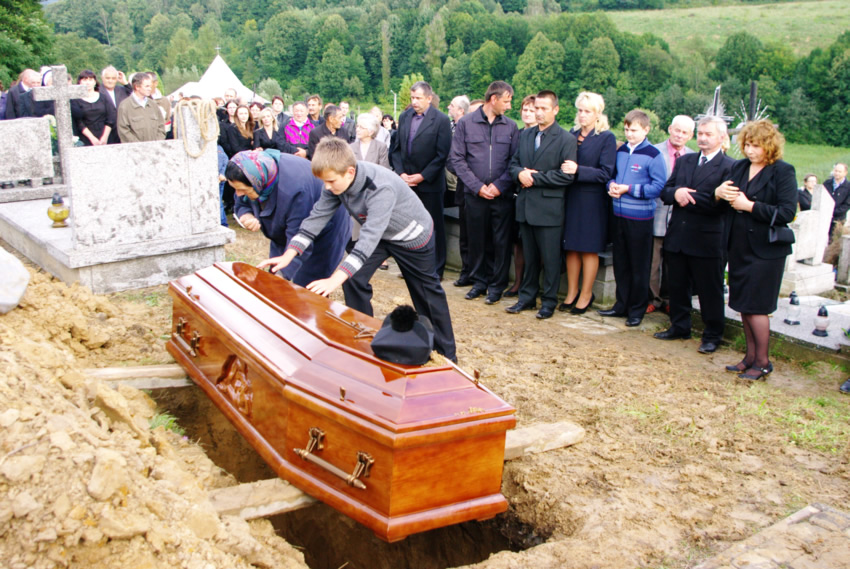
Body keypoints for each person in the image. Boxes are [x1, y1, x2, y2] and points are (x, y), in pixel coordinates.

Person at [258, 138, 457, 361]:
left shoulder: (379, 187)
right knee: (353, 279)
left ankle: (447, 355)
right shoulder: (336, 180)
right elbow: (316, 218)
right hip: (380, 233)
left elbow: (368, 239)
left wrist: (334, 279)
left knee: (426, 294)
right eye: (324, 182)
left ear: (350, 172)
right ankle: (365, 338)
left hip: (411, 236)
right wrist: (288, 255)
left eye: (331, 181)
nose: (327, 187)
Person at [716, 119, 797, 380]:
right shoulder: (740, 167)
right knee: (743, 305)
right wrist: (719, 193)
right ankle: (749, 358)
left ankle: (762, 362)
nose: (750, 151)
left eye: (757, 146)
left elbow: (787, 212)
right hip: (739, 245)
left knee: (757, 307)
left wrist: (750, 206)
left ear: (769, 146)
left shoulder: (782, 171)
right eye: (748, 145)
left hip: (766, 251)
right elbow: (726, 199)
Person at [653, 116, 735, 354]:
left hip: (707, 238)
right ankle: (680, 326)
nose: (703, 138)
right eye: (700, 133)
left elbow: (722, 204)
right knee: (677, 286)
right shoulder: (685, 161)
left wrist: (688, 197)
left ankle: (712, 335)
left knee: (710, 290)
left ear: (722, 137)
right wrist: (677, 192)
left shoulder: (730, 166)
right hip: (678, 234)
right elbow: (665, 192)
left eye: (709, 134)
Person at [227, 148, 350, 287]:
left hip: (324, 229)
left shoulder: (295, 189)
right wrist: (246, 216)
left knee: (307, 286)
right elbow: (241, 203)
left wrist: (281, 277)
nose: (238, 194)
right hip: (285, 226)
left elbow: (300, 234)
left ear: (258, 183)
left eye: (243, 190)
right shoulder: (254, 172)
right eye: (235, 189)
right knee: (275, 274)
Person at [506, 90, 577, 320]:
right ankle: (526, 298)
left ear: (555, 110)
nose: (538, 112)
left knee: (550, 259)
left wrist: (534, 178)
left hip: (549, 210)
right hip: (526, 207)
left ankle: (548, 302)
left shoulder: (566, 139)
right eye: (536, 108)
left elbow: (566, 176)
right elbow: (513, 164)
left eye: (543, 108)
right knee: (529, 257)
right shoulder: (526, 135)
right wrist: (520, 174)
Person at [449, 81, 519, 305]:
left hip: (502, 196)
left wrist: (499, 185)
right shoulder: (466, 124)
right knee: (476, 240)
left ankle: (497, 286)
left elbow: (514, 161)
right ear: (493, 99)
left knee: (500, 243)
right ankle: (479, 282)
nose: (509, 106)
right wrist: (477, 186)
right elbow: (457, 159)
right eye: (506, 101)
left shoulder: (511, 127)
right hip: (474, 195)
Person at [597, 110, 667, 327]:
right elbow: (611, 176)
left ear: (646, 130)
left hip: (640, 218)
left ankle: (637, 309)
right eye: (626, 129)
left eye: (634, 130)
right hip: (618, 214)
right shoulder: (621, 151)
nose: (629, 134)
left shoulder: (653, 155)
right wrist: (611, 186)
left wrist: (629, 189)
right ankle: (621, 304)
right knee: (621, 263)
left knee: (639, 265)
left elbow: (658, 187)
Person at [559, 91, 617, 314]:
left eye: (587, 111)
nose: (582, 115)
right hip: (571, 196)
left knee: (588, 249)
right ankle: (572, 292)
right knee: (571, 246)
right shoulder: (571, 134)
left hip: (592, 200)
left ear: (597, 113)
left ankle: (586, 294)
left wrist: (578, 170)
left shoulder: (606, 137)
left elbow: (606, 172)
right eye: (580, 110)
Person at [390, 81, 453, 279]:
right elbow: (396, 149)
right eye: (412, 98)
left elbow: (442, 155)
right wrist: (401, 173)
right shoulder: (405, 117)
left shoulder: (441, 120)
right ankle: (411, 267)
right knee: (409, 226)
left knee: (433, 226)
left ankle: (435, 270)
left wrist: (422, 176)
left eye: (418, 98)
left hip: (430, 185)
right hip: (407, 183)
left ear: (429, 98)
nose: (414, 102)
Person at [650, 115, 695, 313]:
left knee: (673, 263)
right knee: (653, 261)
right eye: (677, 130)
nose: (679, 135)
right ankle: (652, 298)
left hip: (680, 219)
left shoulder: (693, 157)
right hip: (656, 213)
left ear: (690, 135)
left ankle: (669, 299)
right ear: (669, 129)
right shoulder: (654, 151)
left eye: (685, 132)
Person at [503, 94, 538, 297]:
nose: (528, 113)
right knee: (517, 242)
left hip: (536, 193)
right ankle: (517, 282)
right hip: (514, 192)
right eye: (525, 110)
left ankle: (531, 284)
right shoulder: (516, 134)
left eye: (532, 110)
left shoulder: (542, 136)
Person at [446, 95, 472, 287]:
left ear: (461, 110)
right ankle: (466, 272)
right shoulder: (451, 128)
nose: (449, 107)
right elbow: (451, 160)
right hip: (462, 188)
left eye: (452, 105)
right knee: (464, 236)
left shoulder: (470, 130)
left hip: (475, 188)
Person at [116, 73, 166, 143]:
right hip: (134, 148)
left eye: (150, 86)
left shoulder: (153, 105)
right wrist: (139, 146)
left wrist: (157, 143)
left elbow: (161, 127)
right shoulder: (125, 106)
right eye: (147, 86)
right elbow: (123, 131)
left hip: (155, 147)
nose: (149, 89)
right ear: (137, 87)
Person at [70, 70, 114, 147]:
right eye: (85, 80)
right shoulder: (75, 100)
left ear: (95, 82)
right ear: (79, 82)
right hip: (86, 139)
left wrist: (105, 137)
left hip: (106, 137)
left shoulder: (104, 97)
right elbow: (79, 122)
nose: (88, 82)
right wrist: (92, 138)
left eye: (90, 80)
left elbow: (110, 118)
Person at [100, 66, 132, 143]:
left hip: (122, 131)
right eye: (108, 78)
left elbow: (135, 97)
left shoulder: (122, 90)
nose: (110, 81)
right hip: (104, 132)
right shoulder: (97, 91)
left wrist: (125, 83)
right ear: (102, 78)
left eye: (113, 78)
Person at [825, 163, 849, 242]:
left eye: (840, 171)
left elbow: (847, 205)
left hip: (838, 219)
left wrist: (833, 212)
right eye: (836, 171)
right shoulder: (827, 183)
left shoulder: (848, 187)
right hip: (825, 218)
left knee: (834, 240)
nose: (837, 173)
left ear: (845, 173)